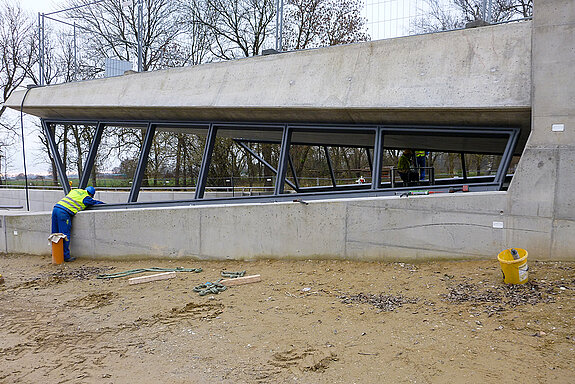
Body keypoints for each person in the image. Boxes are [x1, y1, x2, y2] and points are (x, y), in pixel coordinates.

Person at [51, 186, 104, 262]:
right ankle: (65, 257)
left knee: (54, 234)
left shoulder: (75, 191)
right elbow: (95, 203)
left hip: (56, 209)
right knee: (65, 235)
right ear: (91, 194)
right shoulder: (87, 198)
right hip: (63, 213)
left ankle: (55, 255)